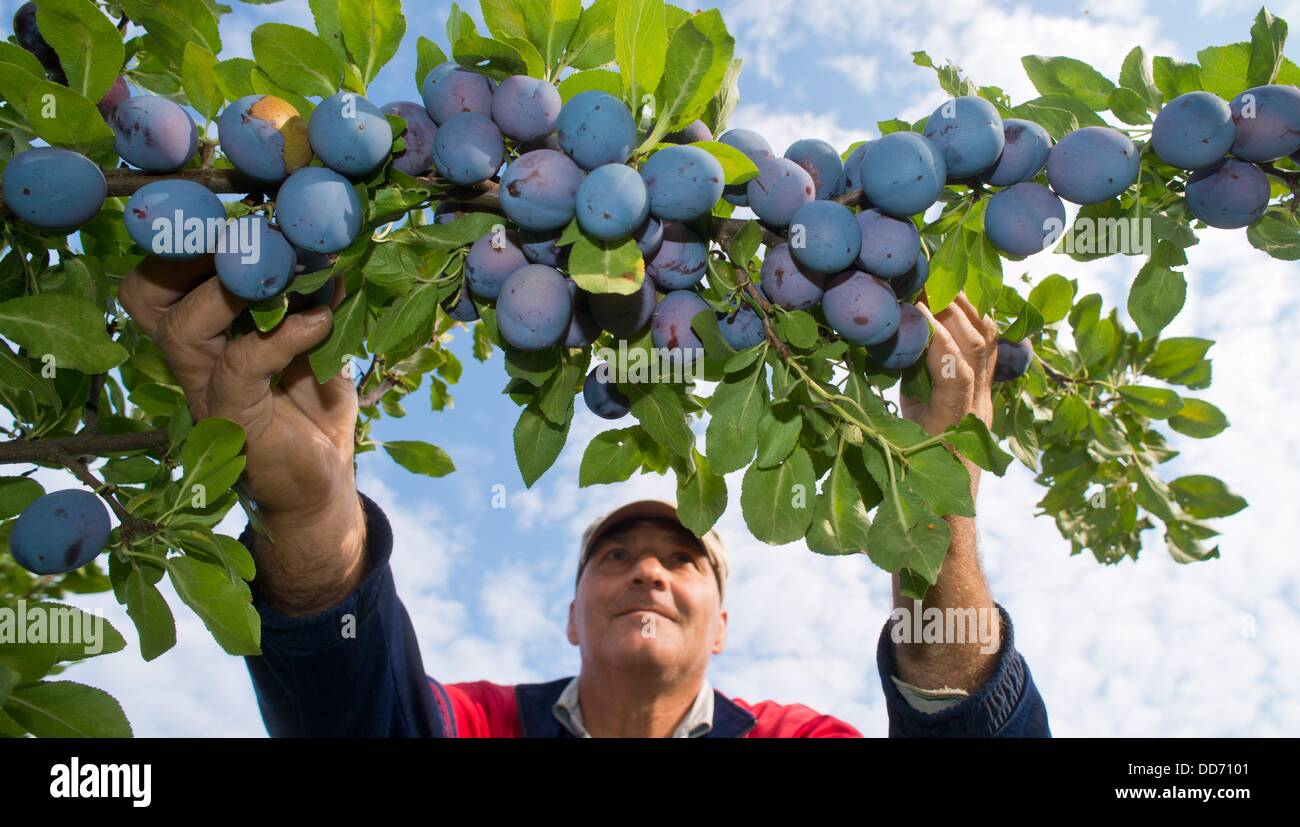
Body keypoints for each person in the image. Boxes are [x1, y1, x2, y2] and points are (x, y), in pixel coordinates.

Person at [119, 255, 1050, 738]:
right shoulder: (477, 723)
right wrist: (310, 520)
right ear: (571, 614)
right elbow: (348, 711)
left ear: (723, 624)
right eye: (616, 556)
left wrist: (934, 517)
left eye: (683, 558)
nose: (648, 567)